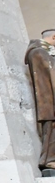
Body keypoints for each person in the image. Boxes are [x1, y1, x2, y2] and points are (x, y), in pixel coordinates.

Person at [26, 29, 55, 170]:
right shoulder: (39, 52)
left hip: (49, 97)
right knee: (51, 129)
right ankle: (49, 160)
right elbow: (51, 74)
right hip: (48, 98)